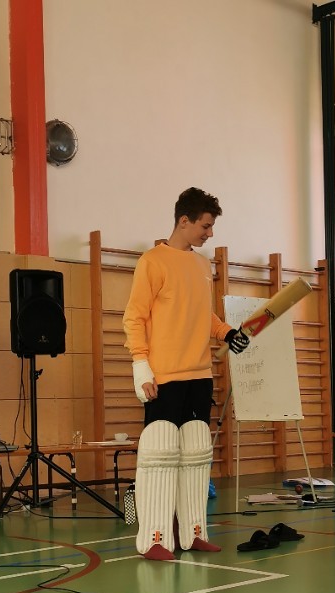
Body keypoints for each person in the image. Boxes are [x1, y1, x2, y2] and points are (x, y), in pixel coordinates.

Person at [122, 187, 249, 560]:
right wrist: (141, 365)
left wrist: (227, 333)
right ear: (184, 220)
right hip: (164, 377)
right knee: (159, 454)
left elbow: (202, 315)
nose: (210, 233)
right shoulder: (152, 262)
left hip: (199, 375)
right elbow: (134, 317)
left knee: (195, 454)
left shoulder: (201, 265)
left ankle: (193, 534)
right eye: (205, 226)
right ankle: (155, 539)